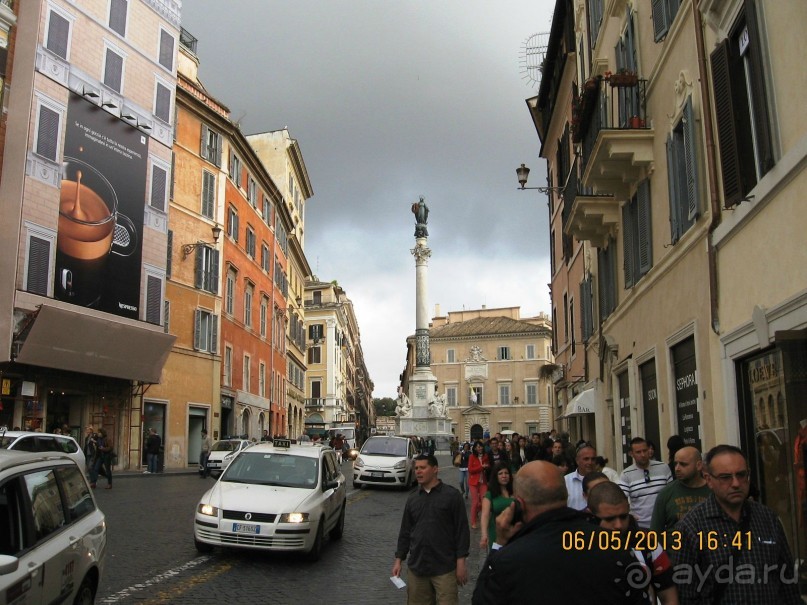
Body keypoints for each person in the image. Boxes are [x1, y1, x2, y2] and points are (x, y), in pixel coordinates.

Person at [472, 461, 645, 604]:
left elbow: (481, 600)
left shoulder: (508, 560)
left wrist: (499, 545)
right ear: (566, 495)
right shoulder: (614, 545)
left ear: (519, 504)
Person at [676, 444, 800, 605]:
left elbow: (788, 580)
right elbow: (685, 592)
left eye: (741, 475)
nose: (736, 483)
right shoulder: (691, 527)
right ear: (709, 480)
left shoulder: (768, 519)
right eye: (725, 477)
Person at [392, 454, 469, 605]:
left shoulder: (452, 496)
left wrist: (461, 562)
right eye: (416, 468)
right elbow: (405, 531)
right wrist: (399, 559)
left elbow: (462, 531)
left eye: (423, 468)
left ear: (435, 469)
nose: (418, 471)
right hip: (418, 568)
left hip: (444, 568)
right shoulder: (413, 498)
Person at [587, 481, 679, 605]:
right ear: (592, 516)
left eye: (623, 517)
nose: (618, 525)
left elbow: (669, 596)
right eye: (610, 519)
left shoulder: (647, 543)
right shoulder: (579, 546)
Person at [650, 446, 711, 534]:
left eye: (683, 464)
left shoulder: (713, 490)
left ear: (699, 465)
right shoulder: (666, 493)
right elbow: (655, 532)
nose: (677, 469)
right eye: (676, 464)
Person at [618, 437, 672, 528]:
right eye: (638, 452)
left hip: (664, 524)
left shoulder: (663, 468)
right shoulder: (626, 474)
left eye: (645, 450)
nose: (643, 455)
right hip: (641, 526)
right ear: (631, 454)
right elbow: (620, 499)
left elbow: (671, 493)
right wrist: (629, 515)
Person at [479, 463, 514, 552]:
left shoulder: (516, 492)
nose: (504, 476)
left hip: (515, 533)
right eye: (500, 473)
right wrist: (484, 534)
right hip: (497, 533)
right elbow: (485, 515)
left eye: (506, 473)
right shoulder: (490, 494)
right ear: (496, 477)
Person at [564, 444, 597, 510]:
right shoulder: (565, 481)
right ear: (577, 460)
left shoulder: (603, 481)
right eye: (586, 459)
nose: (590, 462)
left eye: (593, 459)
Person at [467, 440, 490, 529]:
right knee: (475, 502)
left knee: (484, 502)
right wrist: (481, 467)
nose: (479, 448)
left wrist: (487, 466)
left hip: (482, 481)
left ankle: (480, 515)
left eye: (480, 446)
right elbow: (470, 470)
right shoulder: (472, 457)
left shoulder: (485, 456)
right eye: (477, 447)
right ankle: (473, 521)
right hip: (473, 482)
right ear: (475, 448)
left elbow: (488, 465)